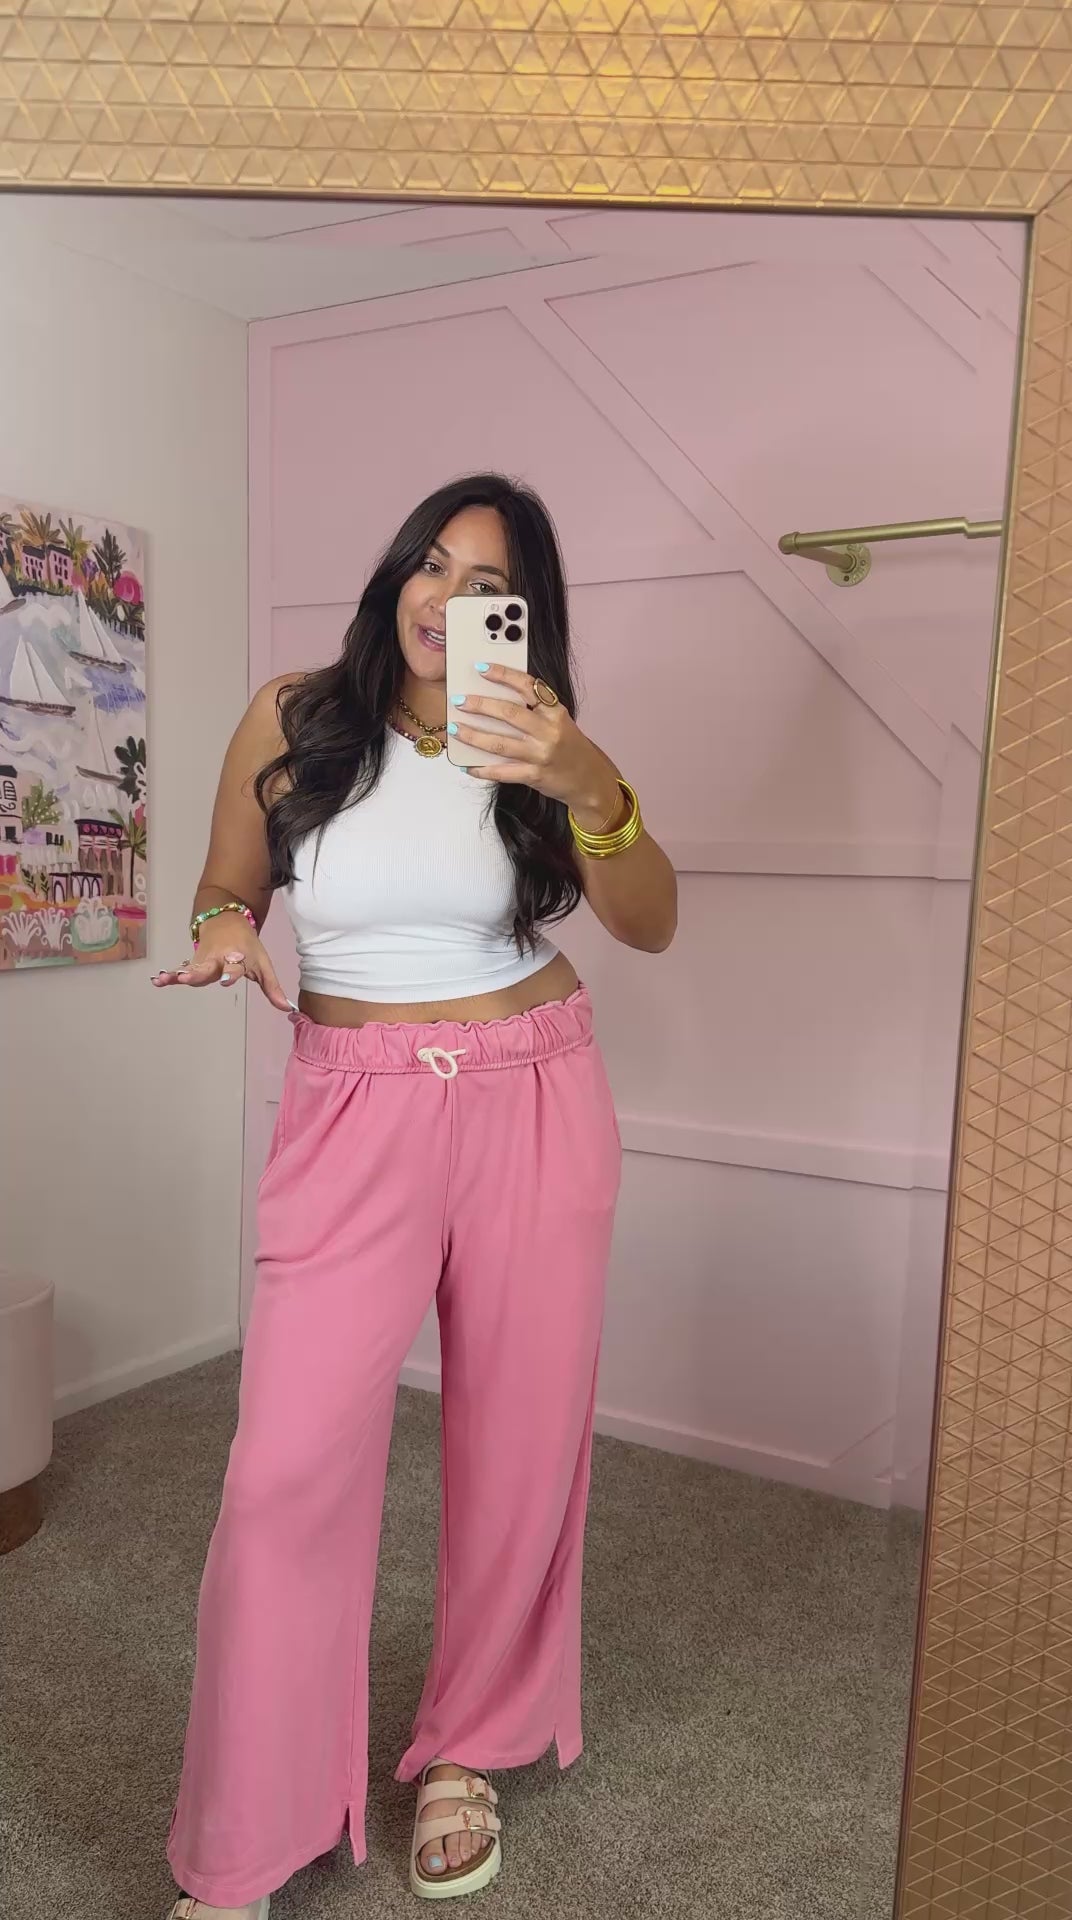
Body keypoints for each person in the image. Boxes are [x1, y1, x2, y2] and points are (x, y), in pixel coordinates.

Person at [153, 473, 677, 1918]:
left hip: (536, 1090)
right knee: (284, 1469)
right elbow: (226, 886)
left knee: (520, 1444)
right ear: (396, 576)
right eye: (430, 565)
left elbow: (653, 922)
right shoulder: (294, 717)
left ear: (527, 615)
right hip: (352, 1105)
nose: (448, 600)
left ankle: (470, 1748)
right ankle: (249, 1839)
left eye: (487, 583)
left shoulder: (539, 743)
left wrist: (592, 786)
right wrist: (226, 936)